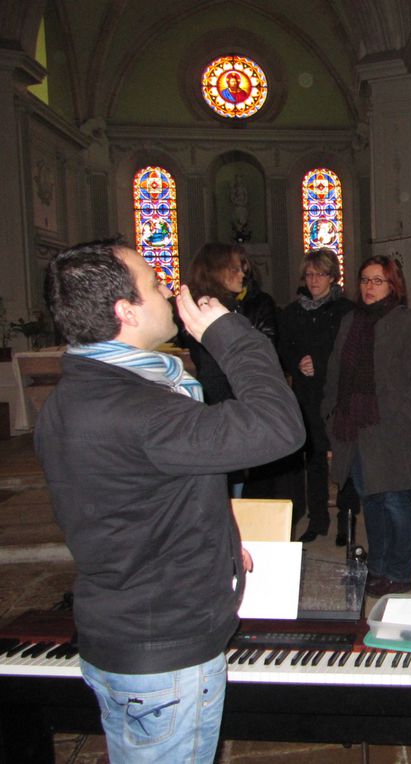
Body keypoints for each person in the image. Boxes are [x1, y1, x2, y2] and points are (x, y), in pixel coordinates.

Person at [35, 238, 304, 763]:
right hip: (164, 653)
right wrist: (230, 334)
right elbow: (279, 426)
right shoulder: (145, 411)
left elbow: (139, 501)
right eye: (155, 285)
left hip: (120, 625)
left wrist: (220, 540)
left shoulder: (74, 393)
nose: (169, 290)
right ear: (125, 311)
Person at [322, 256, 411, 597]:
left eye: (377, 281)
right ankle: (378, 566)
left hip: (392, 429)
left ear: (393, 285)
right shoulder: (350, 321)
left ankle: (399, 570)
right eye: (365, 280)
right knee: (371, 501)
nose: (369, 287)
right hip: (355, 428)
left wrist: (403, 417)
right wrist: (330, 411)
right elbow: (335, 372)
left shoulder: (406, 322)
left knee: (396, 501)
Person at [180, 243, 280, 496]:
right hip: (224, 403)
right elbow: (216, 367)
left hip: (226, 402)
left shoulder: (224, 307)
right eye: (235, 269)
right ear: (216, 272)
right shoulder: (215, 312)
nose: (242, 274)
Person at [277, 249, 355, 543]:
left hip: (338, 394)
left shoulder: (345, 311)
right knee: (315, 458)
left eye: (320, 274)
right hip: (307, 394)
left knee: (344, 457)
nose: (313, 280)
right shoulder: (292, 312)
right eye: (309, 274)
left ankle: (346, 519)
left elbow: (348, 352)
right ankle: (318, 518)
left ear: (332, 277)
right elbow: (282, 348)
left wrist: (319, 363)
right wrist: (297, 362)